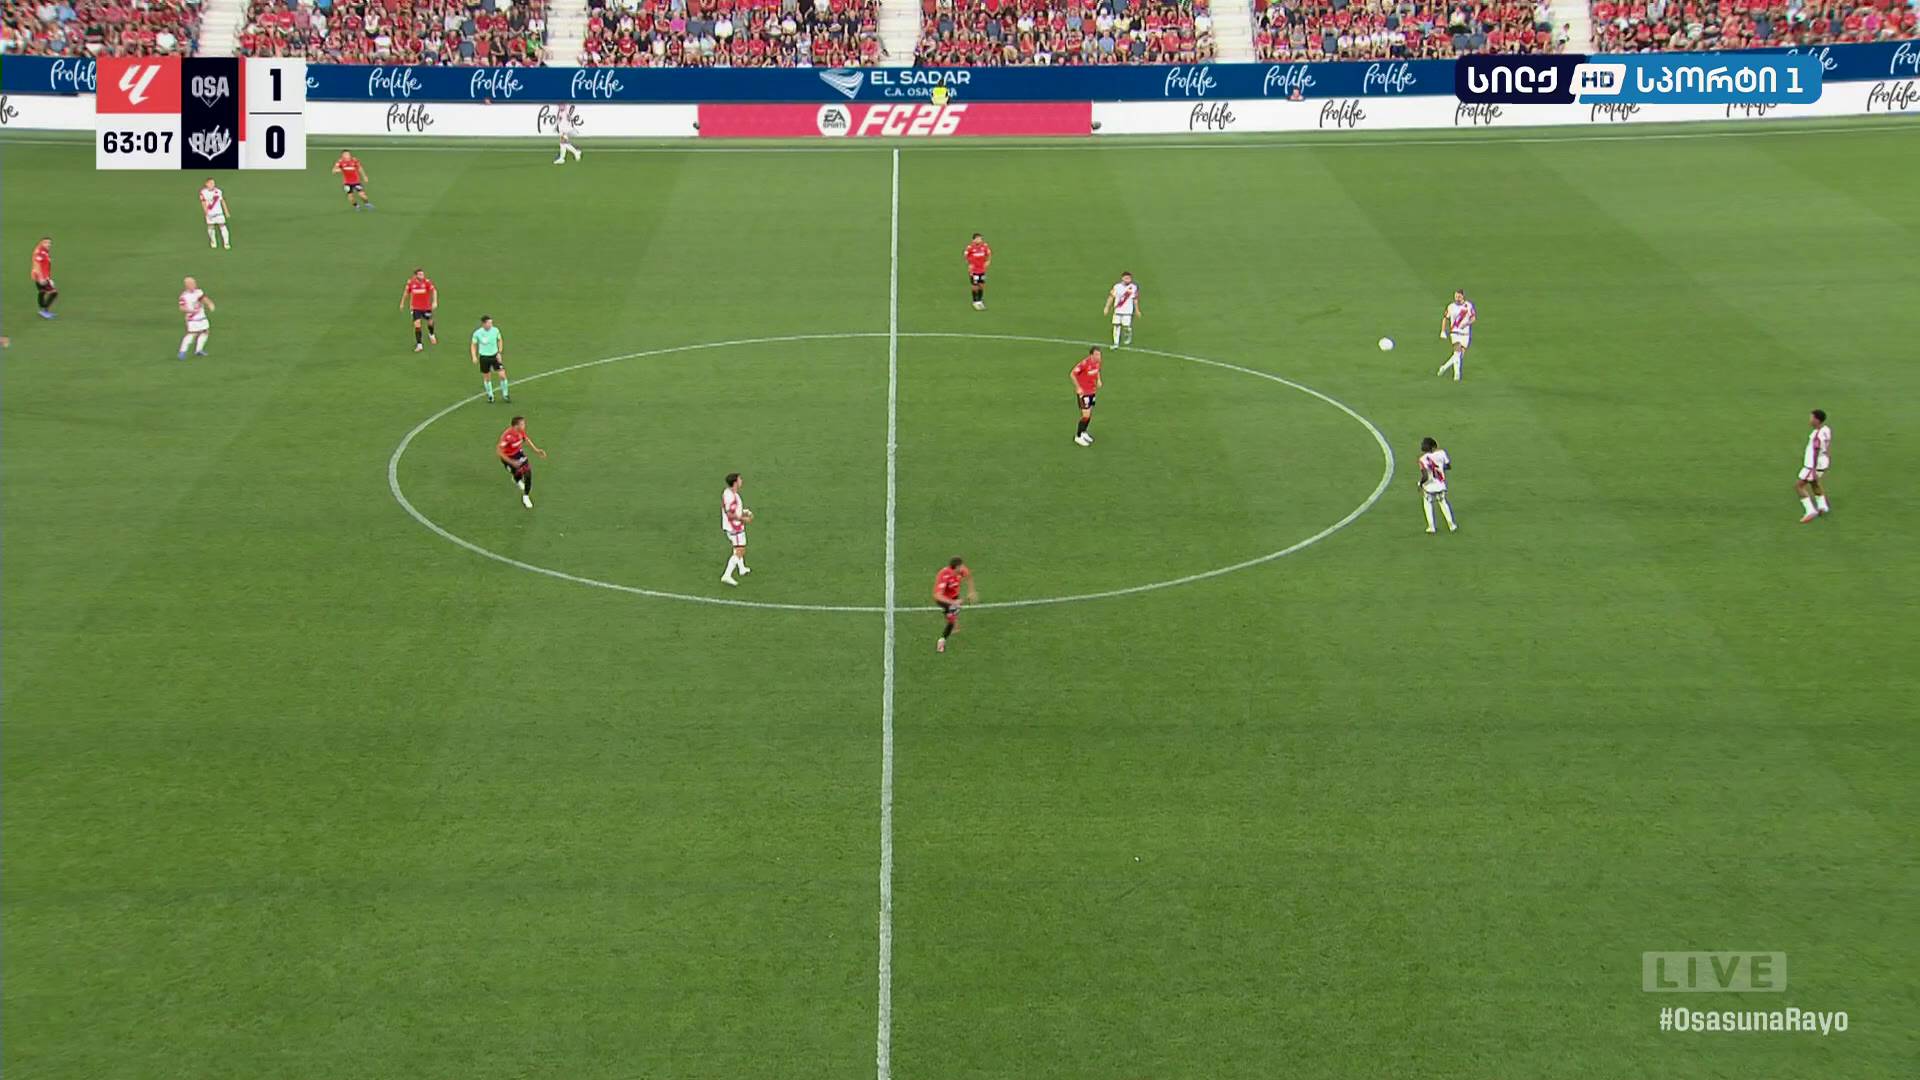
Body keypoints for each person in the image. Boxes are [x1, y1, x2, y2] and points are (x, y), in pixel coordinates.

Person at [498, 415, 547, 509]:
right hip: (508, 458)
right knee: (517, 473)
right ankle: (516, 479)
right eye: (522, 424)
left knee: (528, 473)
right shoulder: (507, 436)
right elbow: (499, 451)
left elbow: (526, 440)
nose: (524, 425)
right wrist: (511, 462)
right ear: (516, 425)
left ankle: (526, 496)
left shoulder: (520, 431)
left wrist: (537, 450)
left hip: (518, 455)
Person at [932, 557, 978, 653]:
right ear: (957, 567)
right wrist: (953, 602)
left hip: (954, 596)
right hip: (943, 599)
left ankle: (953, 623)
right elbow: (937, 595)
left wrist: (971, 591)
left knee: (954, 612)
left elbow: (969, 577)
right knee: (951, 620)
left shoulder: (961, 570)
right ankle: (941, 641)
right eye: (961, 566)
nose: (963, 568)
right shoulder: (944, 576)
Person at [1796, 409, 1832, 524]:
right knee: (1814, 483)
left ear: (1817, 420)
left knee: (1799, 486)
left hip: (1812, 465)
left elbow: (1815, 452)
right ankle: (1822, 506)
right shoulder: (1826, 430)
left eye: (1811, 418)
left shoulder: (1817, 435)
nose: (1810, 420)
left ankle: (1810, 510)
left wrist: (1812, 469)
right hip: (1823, 462)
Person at [1416, 436, 1457, 533]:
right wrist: (1440, 468)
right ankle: (1451, 525)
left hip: (1429, 487)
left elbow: (1425, 476)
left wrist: (1420, 484)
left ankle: (1431, 527)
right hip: (1440, 484)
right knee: (1443, 503)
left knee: (1428, 504)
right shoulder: (1442, 453)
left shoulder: (1422, 459)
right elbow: (1448, 466)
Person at [721, 472, 753, 586]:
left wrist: (744, 511)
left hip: (731, 526)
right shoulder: (731, 496)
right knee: (740, 550)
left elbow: (732, 510)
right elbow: (730, 514)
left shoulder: (729, 493)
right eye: (739, 479)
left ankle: (742, 568)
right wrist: (744, 519)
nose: (741, 481)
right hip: (735, 527)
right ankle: (727, 575)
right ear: (735, 482)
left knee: (737, 547)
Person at [1439, 288, 1475, 381]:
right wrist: (1443, 331)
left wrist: (1466, 324)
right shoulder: (1451, 307)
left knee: (1459, 356)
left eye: (1459, 296)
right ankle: (1457, 374)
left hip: (1465, 334)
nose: (1457, 298)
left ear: (1463, 296)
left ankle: (1444, 367)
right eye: (1456, 296)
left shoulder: (1468, 306)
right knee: (1457, 351)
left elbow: (1473, 318)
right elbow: (1445, 318)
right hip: (1455, 333)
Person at [471, 314, 509, 402]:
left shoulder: (495, 330)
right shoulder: (477, 333)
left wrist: (499, 352)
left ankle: (505, 394)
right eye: (489, 323)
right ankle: (490, 396)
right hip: (484, 357)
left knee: (502, 375)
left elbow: (500, 340)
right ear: (484, 324)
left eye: (491, 323)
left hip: (495, 356)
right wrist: (474, 356)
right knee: (487, 377)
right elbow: (473, 345)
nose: (491, 324)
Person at [1071, 345, 1102, 446]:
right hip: (1084, 393)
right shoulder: (1084, 364)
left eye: (1099, 355)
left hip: (1092, 391)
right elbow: (1072, 374)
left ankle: (1083, 432)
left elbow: (1097, 370)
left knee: (1089, 414)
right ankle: (1078, 436)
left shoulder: (1097, 362)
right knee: (1086, 415)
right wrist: (1078, 387)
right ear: (1091, 355)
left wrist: (1099, 380)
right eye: (1097, 355)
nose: (1099, 357)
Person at [177, 276, 214, 360]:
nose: (194, 285)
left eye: (194, 283)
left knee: (205, 332)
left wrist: (210, 304)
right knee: (192, 334)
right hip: (192, 318)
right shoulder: (184, 296)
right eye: (192, 283)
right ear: (187, 285)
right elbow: (181, 308)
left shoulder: (198, 292)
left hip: (202, 317)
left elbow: (204, 299)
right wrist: (190, 311)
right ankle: (182, 351)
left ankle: (199, 350)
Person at [401, 268, 438, 352]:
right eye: (420, 274)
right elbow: (406, 293)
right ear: (416, 276)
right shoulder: (411, 283)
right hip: (415, 308)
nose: (422, 276)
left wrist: (435, 302)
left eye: (423, 274)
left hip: (426, 307)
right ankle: (419, 344)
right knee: (417, 325)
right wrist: (402, 303)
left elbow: (434, 291)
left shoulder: (427, 282)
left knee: (430, 322)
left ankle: (431, 334)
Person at [1103, 271, 1139, 346]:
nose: (1128, 280)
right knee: (1116, 326)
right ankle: (1116, 343)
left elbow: (1135, 299)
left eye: (1129, 278)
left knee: (1126, 326)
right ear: (1122, 278)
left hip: (1128, 311)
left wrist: (1137, 310)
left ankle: (1128, 334)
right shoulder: (1116, 287)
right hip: (1118, 310)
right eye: (1126, 278)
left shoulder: (1133, 287)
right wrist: (1107, 307)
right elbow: (1111, 297)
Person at [199, 179, 231, 250]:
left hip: (219, 213)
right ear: (206, 184)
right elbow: (203, 203)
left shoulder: (218, 191)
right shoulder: (203, 192)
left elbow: (222, 201)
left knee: (222, 226)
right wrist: (206, 212)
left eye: (213, 183)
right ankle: (213, 242)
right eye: (210, 183)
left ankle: (226, 243)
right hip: (210, 214)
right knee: (210, 227)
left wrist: (226, 211)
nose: (212, 185)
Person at [30, 237, 57, 320]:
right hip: (40, 277)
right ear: (41, 243)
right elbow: (37, 265)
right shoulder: (40, 252)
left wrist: (48, 278)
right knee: (53, 292)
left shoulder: (44, 251)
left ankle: (43, 310)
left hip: (41, 276)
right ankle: (44, 310)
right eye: (46, 242)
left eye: (49, 243)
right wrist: (41, 278)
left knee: (42, 291)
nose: (48, 244)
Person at [964, 233, 992, 310]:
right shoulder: (970, 248)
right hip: (974, 270)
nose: (980, 240)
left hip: (982, 269)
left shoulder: (984, 246)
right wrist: (969, 264)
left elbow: (989, 253)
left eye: (980, 238)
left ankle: (980, 300)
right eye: (978, 238)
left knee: (981, 285)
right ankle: (975, 301)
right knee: (975, 285)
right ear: (974, 240)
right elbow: (965, 256)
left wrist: (988, 261)